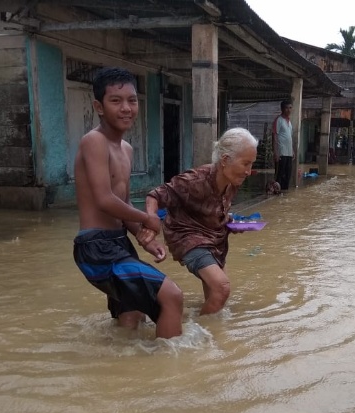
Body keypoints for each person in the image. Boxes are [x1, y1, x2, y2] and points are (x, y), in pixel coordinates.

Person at [72, 67, 183, 339]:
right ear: (98, 106)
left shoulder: (127, 149)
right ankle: (173, 370)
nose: (126, 108)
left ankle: (124, 372)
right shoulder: (93, 141)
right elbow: (104, 200)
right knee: (172, 296)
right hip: (96, 247)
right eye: (116, 101)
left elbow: (122, 203)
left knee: (132, 315)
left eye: (132, 100)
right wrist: (148, 218)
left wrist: (145, 239)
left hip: (119, 243)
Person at [141, 128, 258, 315]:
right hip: (188, 237)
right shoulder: (193, 180)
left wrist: (231, 222)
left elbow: (214, 210)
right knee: (222, 287)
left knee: (216, 298)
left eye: (251, 164)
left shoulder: (232, 182)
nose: (249, 171)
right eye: (245, 164)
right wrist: (151, 220)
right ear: (225, 160)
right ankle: (194, 334)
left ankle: (208, 336)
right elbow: (155, 195)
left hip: (215, 237)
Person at [272, 100, 294, 191]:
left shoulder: (289, 122)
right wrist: (276, 152)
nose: (288, 110)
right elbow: (275, 135)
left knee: (287, 175)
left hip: (289, 153)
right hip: (281, 152)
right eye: (286, 108)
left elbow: (289, 137)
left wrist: (292, 150)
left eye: (290, 108)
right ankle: (276, 193)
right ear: (282, 109)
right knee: (279, 174)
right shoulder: (279, 120)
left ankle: (285, 194)